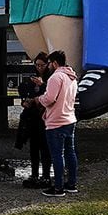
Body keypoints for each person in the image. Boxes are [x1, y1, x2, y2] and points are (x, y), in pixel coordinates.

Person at [35, 50, 78, 197]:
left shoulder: (56, 77)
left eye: (49, 64)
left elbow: (50, 98)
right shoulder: (72, 77)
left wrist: (39, 99)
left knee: (57, 155)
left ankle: (58, 188)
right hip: (70, 119)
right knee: (70, 153)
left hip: (56, 121)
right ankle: (71, 184)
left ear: (54, 63)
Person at [14, 52, 52, 188]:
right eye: (37, 65)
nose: (39, 68)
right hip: (32, 116)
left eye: (42, 65)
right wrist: (25, 101)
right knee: (34, 147)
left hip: (44, 117)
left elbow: (51, 95)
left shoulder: (51, 78)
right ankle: (34, 173)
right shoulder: (31, 78)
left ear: (47, 65)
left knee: (45, 147)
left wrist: (42, 85)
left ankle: (46, 175)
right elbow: (24, 91)